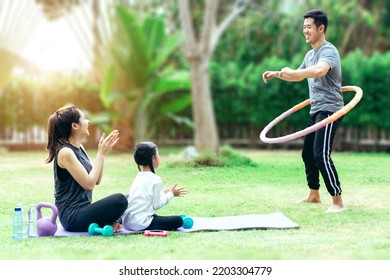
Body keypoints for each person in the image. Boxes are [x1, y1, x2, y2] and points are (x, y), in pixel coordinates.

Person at [262, 9, 346, 213]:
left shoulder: (328, 51)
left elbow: (319, 71)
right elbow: (298, 76)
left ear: (321, 28)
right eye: (304, 28)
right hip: (316, 109)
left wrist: (293, 71)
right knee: (308, 153)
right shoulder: (310, 55)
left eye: (309, 27)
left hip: (330, 109)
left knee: (321, 154)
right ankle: (314, 195)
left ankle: (337, 202)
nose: (305, 31)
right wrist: (278, 74)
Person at [46, 104, 128, 232]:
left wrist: (102, 153)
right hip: (72, 217)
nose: (88, 121)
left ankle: (109, 222)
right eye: (84, 118)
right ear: (75, 126)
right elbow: (89, 185)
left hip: (85, 211)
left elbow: (97, 180)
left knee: (130, 198)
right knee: (120, 200)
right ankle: (109, 222)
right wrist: (100, 154)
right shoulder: (65, 152)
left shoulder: (80, 147)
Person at [121, 141, 188, 231]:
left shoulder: (139, 176)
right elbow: (156, 205)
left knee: (155, 217)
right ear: (153, 158)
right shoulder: (156, 180)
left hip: (127, 222)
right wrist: (171, 194)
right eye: (158, 155)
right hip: (141, 223)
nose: (159, 158)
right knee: (178, 220)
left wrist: (163, 193)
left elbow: (147, 198)